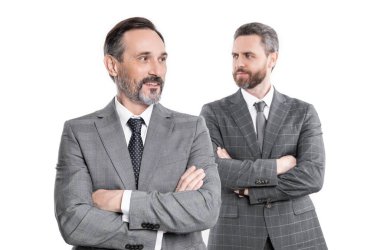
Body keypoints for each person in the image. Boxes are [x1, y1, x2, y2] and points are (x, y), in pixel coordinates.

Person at [54, 17, 221, 250]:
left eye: (162, 59)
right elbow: (73, 221)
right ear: (113, 65)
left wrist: (122, 200)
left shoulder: (192, 128)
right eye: (144, 58)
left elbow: (207, 209)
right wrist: (168, 218)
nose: (157, 70)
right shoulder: (79, 132)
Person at [200, 22, 327, 250]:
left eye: (248, 55)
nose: (239, 63)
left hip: (297, 233)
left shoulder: (303, 112)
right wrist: (277, 166)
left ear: (272, 58)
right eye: (235, 55)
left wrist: (249, 190)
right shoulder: (213, 113)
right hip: (235, 235)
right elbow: (214, 171)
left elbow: (312, 176)